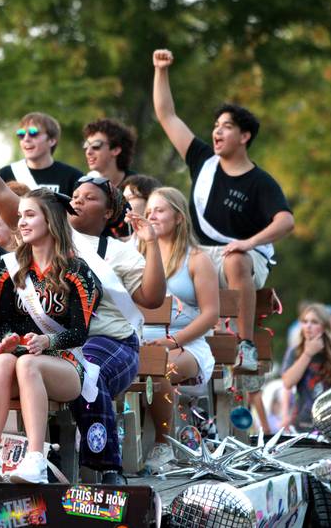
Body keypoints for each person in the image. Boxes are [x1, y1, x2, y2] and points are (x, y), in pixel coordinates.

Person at [0, 144, 166, 484]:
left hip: (98, 343)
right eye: (74, 195)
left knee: (69, 364)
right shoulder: (19, 266)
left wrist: (151, 244)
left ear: (108, 212)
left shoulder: (101, 260)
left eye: (88, 198)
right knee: (9, 360)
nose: (77, 201)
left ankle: (100, 463)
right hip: (42, 351)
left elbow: (147, 300)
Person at [152, 48, 294, 374]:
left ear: (244, 136)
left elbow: (286, 221)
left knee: (235, 258)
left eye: (226, 127)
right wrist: (161, 70)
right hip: (202, 254)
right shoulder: (203, 160)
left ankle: (244, 345)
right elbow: (166, 115)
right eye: (216, 125)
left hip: (246, 259)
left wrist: (248, 242)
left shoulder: (261, 182)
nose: (217, 132)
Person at [0, 189, 102, 484]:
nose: (20, 222)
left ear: (51, 221)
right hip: (24, 359)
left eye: (29, 215)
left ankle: (35, 460)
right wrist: (9, 340)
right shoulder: (11, 270)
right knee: (5, 360)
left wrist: (47, 341)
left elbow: (79, 333)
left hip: (67, 365)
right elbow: (3, 323)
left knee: (25, 365)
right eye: (19, 216)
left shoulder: (77, 271)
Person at [139, 187, 218, 472]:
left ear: (179, 216)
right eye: (148, 211)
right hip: (140, 342)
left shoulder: (197, 259)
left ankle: (163, 445)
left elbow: (211, 315)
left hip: (187, 345)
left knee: (162, 369)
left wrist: (172, 341)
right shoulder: (138, 254)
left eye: (159, 210)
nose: (152, 216)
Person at [281, 303, 331, 432]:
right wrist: (307, 354)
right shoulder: (295, 352)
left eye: (314, 322)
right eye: (305, 321)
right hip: (302, 424)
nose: (308, 326)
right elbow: (287, 383)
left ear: (324, 326)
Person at [0, 112, 83, 196]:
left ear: (52, 141)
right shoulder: (4, 175)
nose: (26, 139)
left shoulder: (73, 177)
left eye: (33, 133)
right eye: (21, 134)